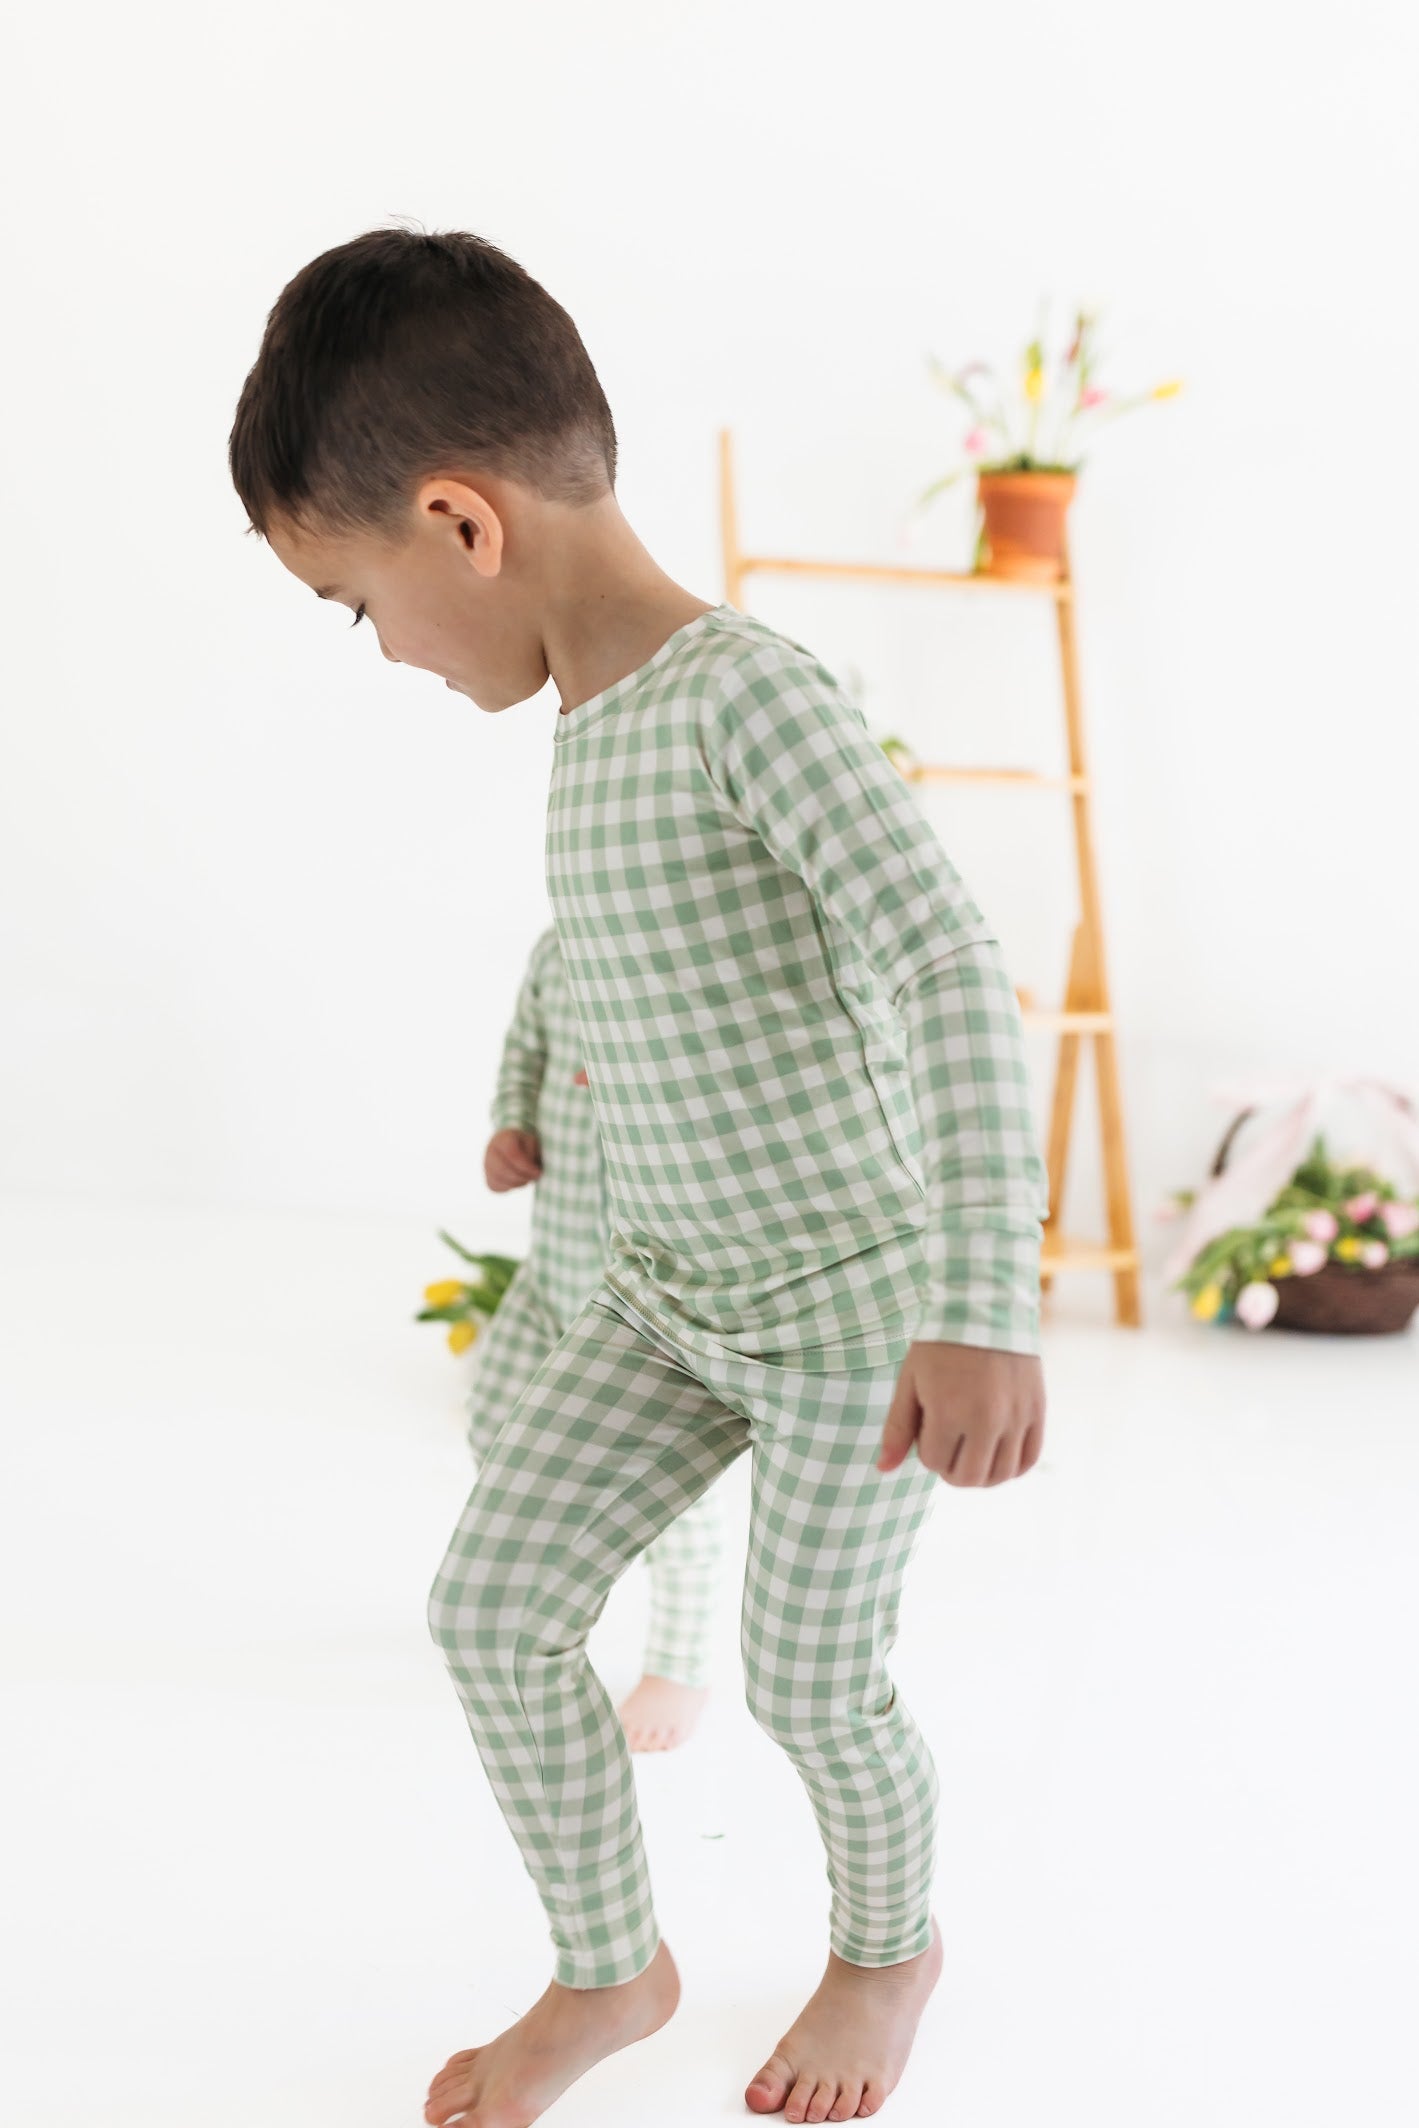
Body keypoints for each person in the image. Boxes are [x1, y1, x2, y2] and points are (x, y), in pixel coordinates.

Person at [229, 225, 1049, 2128]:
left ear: (459, 522)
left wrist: (981, 1305)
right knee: (491, 1605)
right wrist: (537, 1108)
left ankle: (887, 1946)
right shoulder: (590, 728)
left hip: (851, 1308)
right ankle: (611, 1966)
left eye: (355, 606)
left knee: (808, 1680)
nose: (385, 651)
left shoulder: (746, 695)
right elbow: (622, 984)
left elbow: (943, 959)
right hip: (667, 1302)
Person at [475, 922, 724, 1751]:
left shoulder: (706, 953)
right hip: (553, 1272)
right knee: (494, 1428)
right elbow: (524, 1053)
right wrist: (511, 1127)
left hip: (655, 1301)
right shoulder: (559, 949)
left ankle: (679, 1663)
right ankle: (530, 1598)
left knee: (672, 1490)